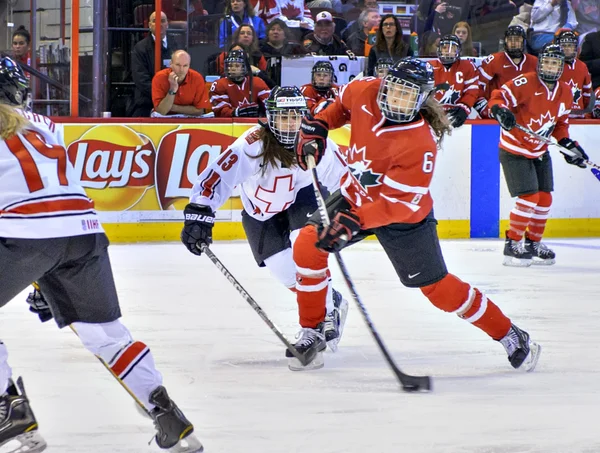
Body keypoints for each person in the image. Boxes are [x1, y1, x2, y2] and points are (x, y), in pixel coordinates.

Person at [0, 57, 203, 453]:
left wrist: (36, 265)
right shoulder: (47, 126)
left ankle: (9, 411)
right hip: (82, 233)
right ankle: (167, 414)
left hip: (23, 234)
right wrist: (49, 272)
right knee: (107, 335)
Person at [289, 58, 541, 373]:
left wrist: (356, 221)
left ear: (421, 100)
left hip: (403, 217)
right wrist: (319, 125)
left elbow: (398, 205)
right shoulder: (364, 89)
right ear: (384, 84)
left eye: (407, 95)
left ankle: (508, 333)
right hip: (355, 198)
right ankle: (312, 330)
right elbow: (340, 106)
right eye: (393, 89)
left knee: (439, 291)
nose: (397, 98)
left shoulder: (419, 144)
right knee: (307, 245)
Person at [180, 86, 349, 362]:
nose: (290, 123)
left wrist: (362, 206)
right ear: (270, 118)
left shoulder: (315, 140)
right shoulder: (252, 145)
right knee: (285, 273)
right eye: (283, 117)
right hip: (261, 213)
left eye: (295, 116)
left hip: (302, 200)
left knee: (306, 254)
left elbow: (343, 175)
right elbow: (217, 177)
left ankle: (319, 318)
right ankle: (333, 299)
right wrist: (200, 211)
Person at [488, 44, 589, 266]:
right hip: (514, 150)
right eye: (546, 62)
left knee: (544, 198)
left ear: (562, 67)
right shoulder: (525, 82)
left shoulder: (565, 92)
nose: (550, 67)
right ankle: (512, 244)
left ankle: (533, 242)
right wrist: (500, 110)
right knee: (529, 198)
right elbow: (498, 97)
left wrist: (568, 145)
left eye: (555, 63)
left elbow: (560, 124)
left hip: (540, 151)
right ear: (540, 63)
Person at [476, 26, 538, 118]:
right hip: (499, 113)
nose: (513, 43)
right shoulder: (494, 60)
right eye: (510, 40)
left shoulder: (534, 62)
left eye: (517, 40)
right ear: (505, 42)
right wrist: (486, 109)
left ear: (524, 42)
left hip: (526, 117)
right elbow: (477, 85)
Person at [131, 11, 178, 117]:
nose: (159, 24)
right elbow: (141, 79)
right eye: (155, 21)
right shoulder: (140, 48)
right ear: (149, 25)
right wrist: (161, 96)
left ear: (167, 24)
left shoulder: (177, 44)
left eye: (162, 21)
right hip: (147, 102)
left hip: (175, 101)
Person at [430, 34, 479, 128]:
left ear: (458, 51)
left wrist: (464, 108)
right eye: (445, 48)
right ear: (439, 49)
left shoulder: (468, 66)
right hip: (433, 115)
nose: (448, 52)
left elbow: (471, 91)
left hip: (457, 112)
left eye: (452, 48)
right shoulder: (429, 66)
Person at [209, 49, 271, 117]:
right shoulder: (219, 84)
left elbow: (269, 104)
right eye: (230, 65)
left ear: (244, 67)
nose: (232, 68)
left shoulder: (257, 82)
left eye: (237, 66)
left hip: (253, 123)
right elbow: (220, 111)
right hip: (229, 124)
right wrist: (235, 113)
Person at [152, 50, 209, 116]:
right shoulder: (159, 77)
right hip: (165, 120)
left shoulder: (197, 78)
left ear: (189, 66)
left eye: (185, 66)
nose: (181, 70)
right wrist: (172, 89)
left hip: (189, 121)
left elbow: (199, 111)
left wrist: (173, 107)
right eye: (178, 65)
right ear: (171, 64)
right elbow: (161, 111)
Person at [554, 28, 594, 117]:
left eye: (570, 46)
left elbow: (587, 92)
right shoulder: (554, 65)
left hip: (578, 114)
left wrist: (584, 111)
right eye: (564, 46)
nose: (567, 49)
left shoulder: (582, 66)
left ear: (576, 47)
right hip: (558, 116)